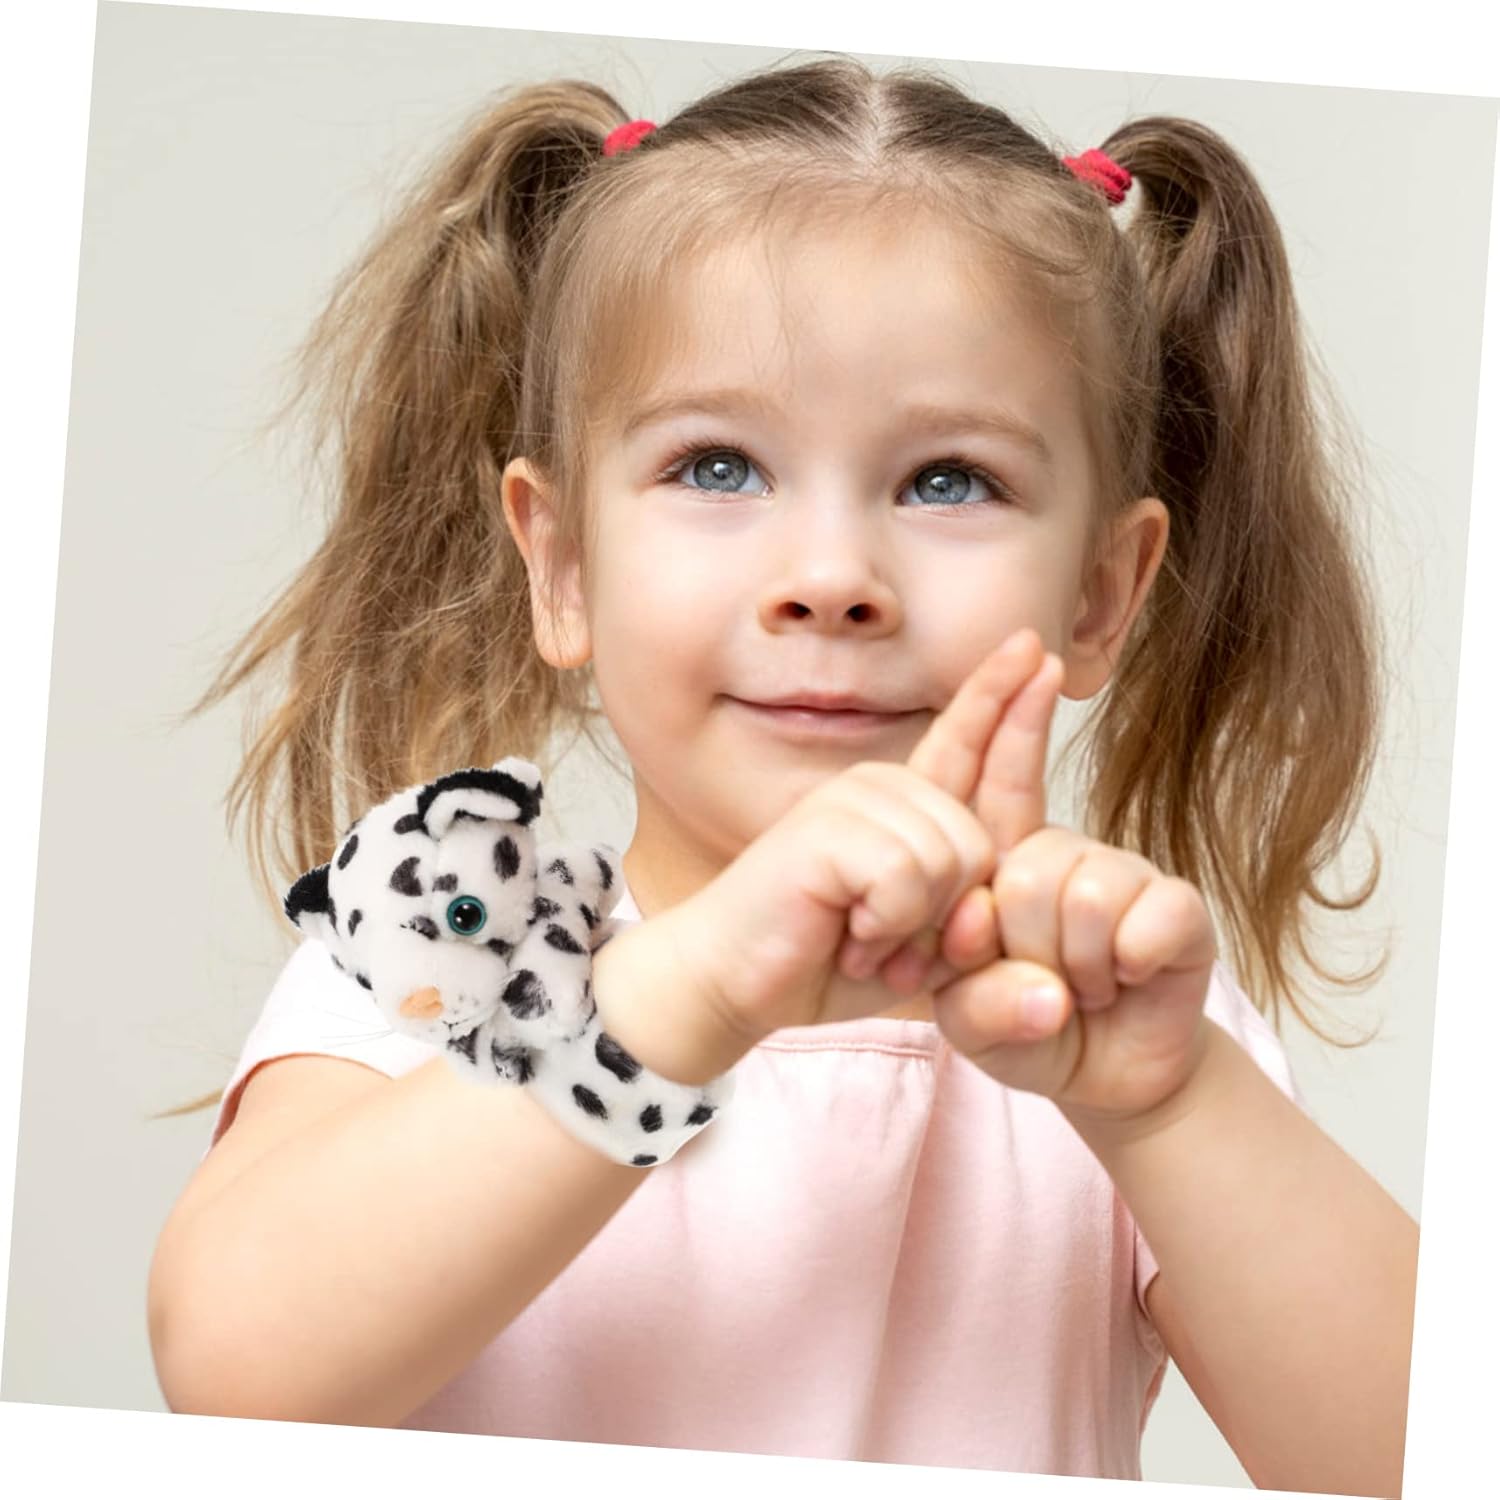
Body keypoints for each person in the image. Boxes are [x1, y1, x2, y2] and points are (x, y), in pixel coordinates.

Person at [147, 56, 1417, 1493]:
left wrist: (1170, 1107)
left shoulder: (1095, 1018)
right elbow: (236, 1374)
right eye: (717, 467)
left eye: (949, 480)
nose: (831, 575)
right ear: (561, 565)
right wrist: (678, 999)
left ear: (1100, 597)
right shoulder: (452, 943)